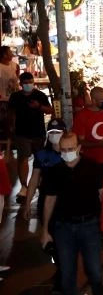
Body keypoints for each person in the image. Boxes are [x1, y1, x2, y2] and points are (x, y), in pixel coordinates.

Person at [40, 132, 103, 295]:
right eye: (64, 149)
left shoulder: (93, 167)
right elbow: (49, 199)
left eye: (71, 149)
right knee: (67, 274)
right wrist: (45, 230)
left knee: (94, 270)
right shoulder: (54, 171)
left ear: (79, 147)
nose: (67, 153)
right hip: (63, 228)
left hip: (89, 226)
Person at [9, 71, 53, 203]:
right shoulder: (15, 97)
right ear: (21, 84)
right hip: (22, 133)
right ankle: (24, 186)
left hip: (38, 132)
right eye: (26, 83)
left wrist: (39, 106)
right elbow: (12, 113)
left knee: (39, 159)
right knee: (23, 158)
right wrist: (11, 128)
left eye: (30, 82)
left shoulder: (40, 95)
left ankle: (38, 181)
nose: (28, 85)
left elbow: (50, 110)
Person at [73, 87, 103, 190]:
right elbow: (80, 142)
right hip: (92, 161)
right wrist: (99, 144)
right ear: (94, 100)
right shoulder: (82, 116)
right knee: (93, 190)